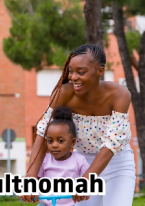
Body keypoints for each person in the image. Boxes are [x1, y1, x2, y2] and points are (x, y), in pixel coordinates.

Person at [22, 44, 134, 206]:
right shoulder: (63, 94)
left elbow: (112, 142)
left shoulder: (119, 95)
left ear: (100, 71)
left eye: (81, 72)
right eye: (71, 71)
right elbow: (42, 132)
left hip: (117, 164)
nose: (73, 77)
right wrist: (31, 176)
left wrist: (87, 180)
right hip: (82, 164)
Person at [35, 106, 90, 206]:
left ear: (72, 142)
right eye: (50, 141)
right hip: (46, 203)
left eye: (60, 141)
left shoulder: (79, 160)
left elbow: (89, 179)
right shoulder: (45, 160)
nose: (54, 145)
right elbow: (36, 179)